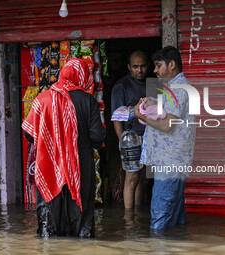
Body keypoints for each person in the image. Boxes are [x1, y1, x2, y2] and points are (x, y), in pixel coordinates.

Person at [22, 59, 106, 237]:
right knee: (83, 217)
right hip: (81, 165)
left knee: (48, 214)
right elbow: (98, 137)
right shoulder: (87, 100)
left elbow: (28, 134)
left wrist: (51, 141)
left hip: (49, 163)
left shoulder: (42, 99)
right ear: (81, 77)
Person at [134, 46, 196, 230]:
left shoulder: (178, 90)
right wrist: (152, 105)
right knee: (175, 224)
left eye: (158, 65)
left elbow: (167, 125)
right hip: (175, 162)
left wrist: (141, 115)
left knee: (159, 225)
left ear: (172, 65)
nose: (155, 70)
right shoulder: (178, 88)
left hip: (169, 164)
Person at [111, 50, 149, 209]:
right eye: (135, 67)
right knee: (131, 178)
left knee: (142, 179)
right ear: (128, 67)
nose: (139, 70)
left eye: (142, 66)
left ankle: (137, 215)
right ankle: (128, 219)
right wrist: (123, 143)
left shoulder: (151, 84)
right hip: (131, 139)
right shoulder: (121, 86)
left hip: (148, 137)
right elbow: (116, 118)